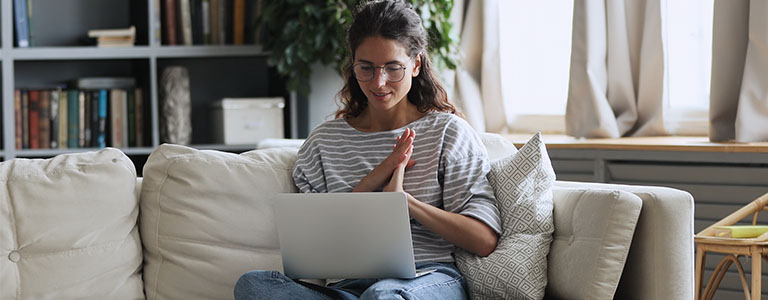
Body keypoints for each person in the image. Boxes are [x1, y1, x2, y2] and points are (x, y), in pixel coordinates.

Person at [234, 1, 500, 299]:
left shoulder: (448, 133)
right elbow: (323, 242)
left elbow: (483, 239)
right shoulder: (324, 143)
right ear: (353, 66)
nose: (379, 82)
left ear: (416, 65)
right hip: (348, 287)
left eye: (393, 68)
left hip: (426, 279)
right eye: (366, 68)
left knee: (382, 295)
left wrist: (403, 203)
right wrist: (379, 174)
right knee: (253, 284)